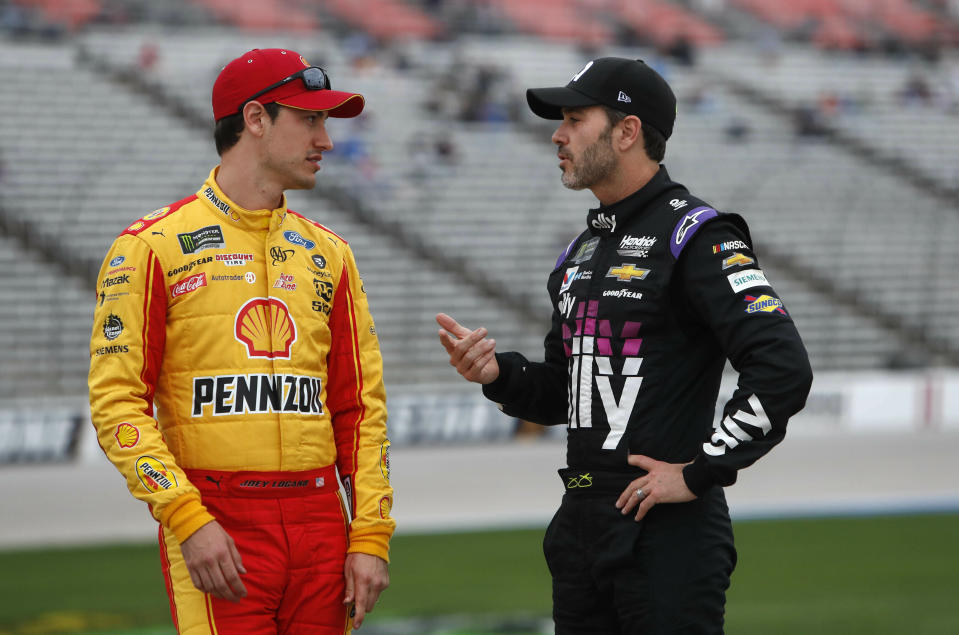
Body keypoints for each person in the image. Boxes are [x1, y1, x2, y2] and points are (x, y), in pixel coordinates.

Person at [437, 57, 812, 634]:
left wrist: (700, 471)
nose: (557, 135)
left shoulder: (697, 235)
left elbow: (783, 367)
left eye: (574, 118)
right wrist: (497, 376)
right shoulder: (578, 254)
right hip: (582, 526)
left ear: (627, 131)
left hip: (667, 534)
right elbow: (566, 394)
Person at [88, 48, 393, 634]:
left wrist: (372, 533)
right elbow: (117, 403)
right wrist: (187, 519)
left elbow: (360, 410)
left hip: (321, 521)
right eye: (310, 119)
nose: (326, 140)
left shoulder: (331, 253)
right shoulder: (152, 246)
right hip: (217, 520)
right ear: (255, 119)